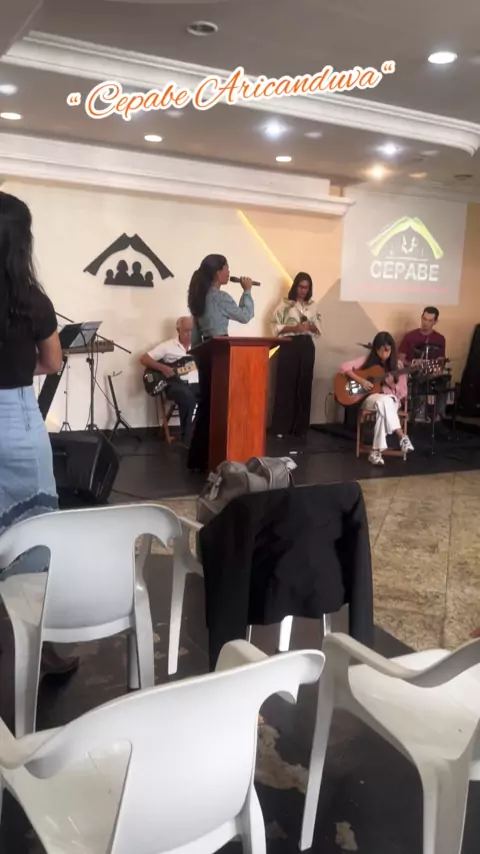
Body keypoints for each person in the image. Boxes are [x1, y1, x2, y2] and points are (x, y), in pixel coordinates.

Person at [0, 191, 78, 674]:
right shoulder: (32, 300)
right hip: (16, 418)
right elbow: (52, 361)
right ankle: (39, 648)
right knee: (33, 531)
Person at [187, 254, 254, 472]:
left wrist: (199, 357)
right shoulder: (220, 297)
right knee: (219, 405)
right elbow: (245, 315)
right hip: (221, 352)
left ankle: (197, 458)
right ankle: (216, 457)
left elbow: (195, 335)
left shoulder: (199, 296)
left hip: (206, 352)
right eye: (226, 268)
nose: (229, 272)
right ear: (217, 272)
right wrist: (247, 291)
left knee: (207, 404)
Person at [340, 332, 414, 466]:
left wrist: (392, 385)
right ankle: (402, 437)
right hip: (369, 399)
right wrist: (362, 381)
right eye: (381, 351)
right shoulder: (367, 360)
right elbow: (344, 367)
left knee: (384, 403)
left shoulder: (398, 366)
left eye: (387, 350)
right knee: (384, 402)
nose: (384, 354)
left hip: (390, 401)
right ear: (375, 349)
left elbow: (403, 393)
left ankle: (376, 452)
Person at [270, 272, 322, 437]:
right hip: (289, 344)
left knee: (304, 385)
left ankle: (300, 428)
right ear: (295, 287)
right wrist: (294, 328)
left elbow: (319, 328)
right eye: (300, 287)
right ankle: (281, 427)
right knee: (286, 384)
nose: (303, 290)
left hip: (306, 345)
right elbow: (275, 326)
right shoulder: (285, 304)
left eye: (306, 288)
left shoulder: (313, 305)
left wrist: (310, 326)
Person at [140, 316, 199, 445]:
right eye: (186, 330)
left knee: (213, 396)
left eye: (192, 330)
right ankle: (187, 439)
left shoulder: (200, 345)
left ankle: (198, 433)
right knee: (187, 397)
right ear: (178, 330)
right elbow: (144, 359)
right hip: (175, 384)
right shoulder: (168, 346)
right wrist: (163, 368)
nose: (190, 334)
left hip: (196, 384)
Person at [399, 307, 448, 422]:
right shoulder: (410, 336)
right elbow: (400, 359)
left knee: (444, 381)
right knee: (419, 379)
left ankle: (438, 416)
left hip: (431, 372)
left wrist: (438, 370)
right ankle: (416, 412)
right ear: (421, 318)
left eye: (430, 321)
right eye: (424, 319)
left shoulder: (440, 339)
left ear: (435, 322)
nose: (425, 323)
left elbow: (441, 361)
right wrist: (413, 363)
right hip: (413, 371)